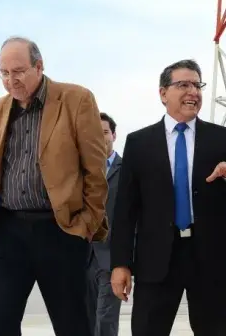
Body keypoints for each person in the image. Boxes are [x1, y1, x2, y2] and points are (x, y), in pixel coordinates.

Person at [110, 59, 226, 336]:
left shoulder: (222, 138)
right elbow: (126, 210)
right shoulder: (139, 143)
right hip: (156, 259)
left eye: (197, 85)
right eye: (184, 85)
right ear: (163, 93)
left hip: (209, 256)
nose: (193, 92)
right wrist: (120, 264)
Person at [0, 36, 109, 336]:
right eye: (4, 73)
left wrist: (85, 226)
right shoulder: (0, 107)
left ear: (39, 66)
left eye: (18, 71)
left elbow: (95, 170)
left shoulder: (76, 99)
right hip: (8, 231)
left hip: (60, 230)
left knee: (73, 326)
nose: (11, 80)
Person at [86, 112, 123, 336]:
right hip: (81, 255)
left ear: (114, 135)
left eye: (105, 132)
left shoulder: (128, 170)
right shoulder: (80, 171)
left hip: (112, 257)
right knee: (84, 317)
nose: (100, 138)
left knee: (105, 319)